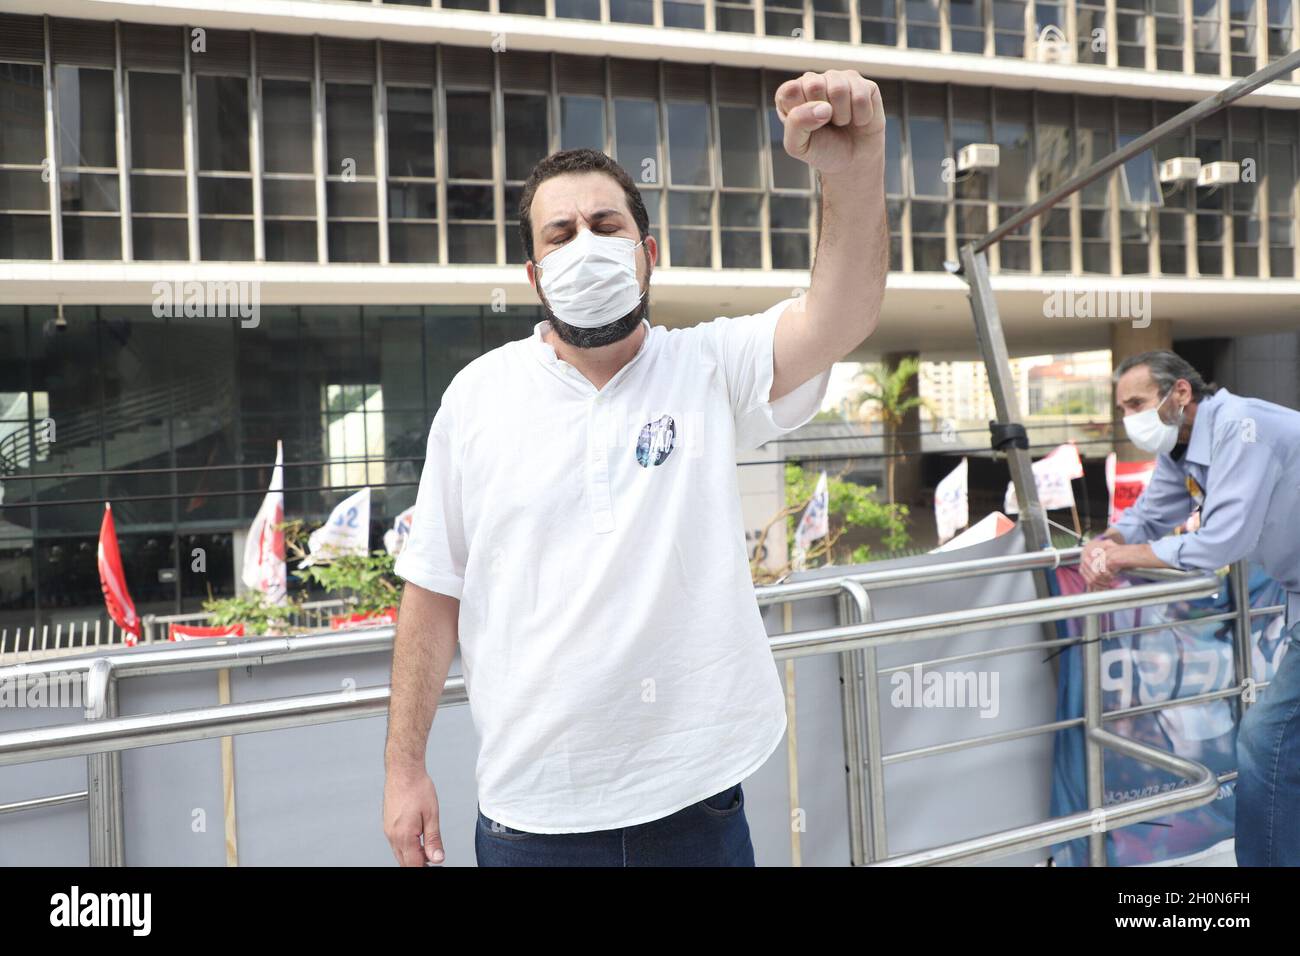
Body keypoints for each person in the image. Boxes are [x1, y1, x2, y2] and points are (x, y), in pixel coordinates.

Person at [381, 69, 889, 867]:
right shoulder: (476, 398)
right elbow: (433, 589)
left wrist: (851, 169)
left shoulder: (709, 366)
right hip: (530, 819)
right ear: (534, 275)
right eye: (559, 234)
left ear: (648, 253)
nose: (583, 244)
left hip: (698, 806)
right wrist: (403, 767)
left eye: (605, 224)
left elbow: (841, 313)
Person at [1080, 350, 1300, 866]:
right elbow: (1149, 515)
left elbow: (1220, 543)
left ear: (1180, 392)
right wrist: (1102, 545)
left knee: (1266, 738)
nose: (1129, 418)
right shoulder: (1183, 450)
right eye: (1122, 409)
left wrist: (1120, 558)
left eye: (1136, 403)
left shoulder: (1243, 430)